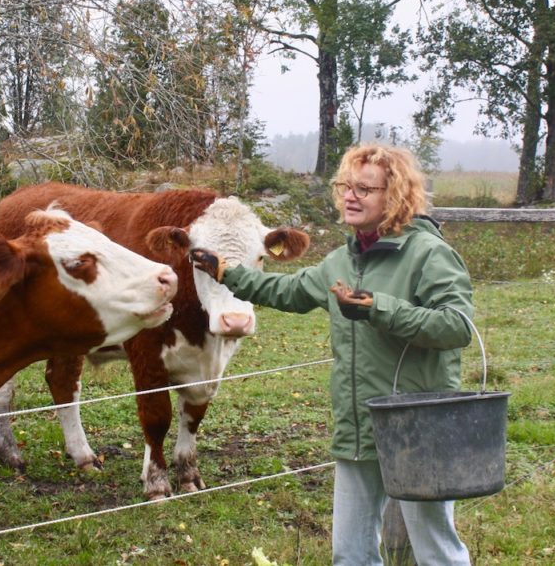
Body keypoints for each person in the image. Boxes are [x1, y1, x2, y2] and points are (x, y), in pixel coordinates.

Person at [189, 143, 474, 566]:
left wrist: (378, 308)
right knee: (350, 554)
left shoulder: (429, 255)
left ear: (395, 195)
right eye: (346, 186)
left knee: (435, 551)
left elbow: (457, 326)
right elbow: (287, 290)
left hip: (418, 426)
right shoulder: (342, 259)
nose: (351, 196)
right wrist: (227, 272)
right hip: (358, 424)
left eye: (366, 188)